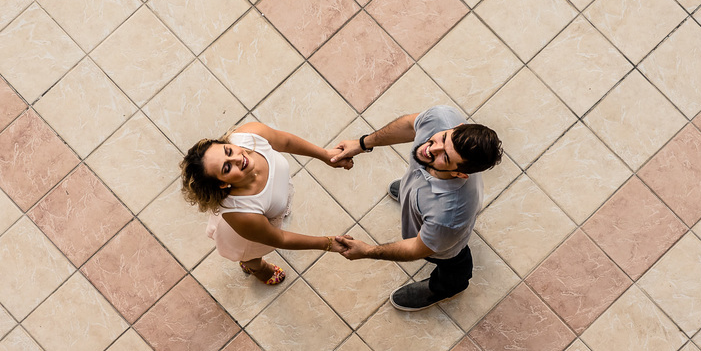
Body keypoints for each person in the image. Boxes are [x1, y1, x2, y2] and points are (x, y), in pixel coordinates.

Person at [329, 106, 503, 310]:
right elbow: (410, 125)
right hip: (427, 198)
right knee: (412, 187)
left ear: (458, 174)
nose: (430, 149)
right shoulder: (441, 118)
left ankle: (445, 288)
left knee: (452, 261)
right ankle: (411, 192)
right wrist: (362, 144)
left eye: (444, 157)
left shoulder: (448, 216)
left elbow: (416, 248)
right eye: (444, 138)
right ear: (457, 126)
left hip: (442, 240)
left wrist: (367, 251)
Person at [181, 122, 351, 285]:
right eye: (227, 168)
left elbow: (286, 141)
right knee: (251, 255)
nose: (237, 158)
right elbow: (280, 239)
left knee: (276, 209)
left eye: (228, 150)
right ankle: (256, 268)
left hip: (265, 213)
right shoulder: (242, 215)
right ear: (223, 184)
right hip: (245, 235)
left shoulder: (250, 134)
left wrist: (325, 155)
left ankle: (275, 213)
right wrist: (327, 243)